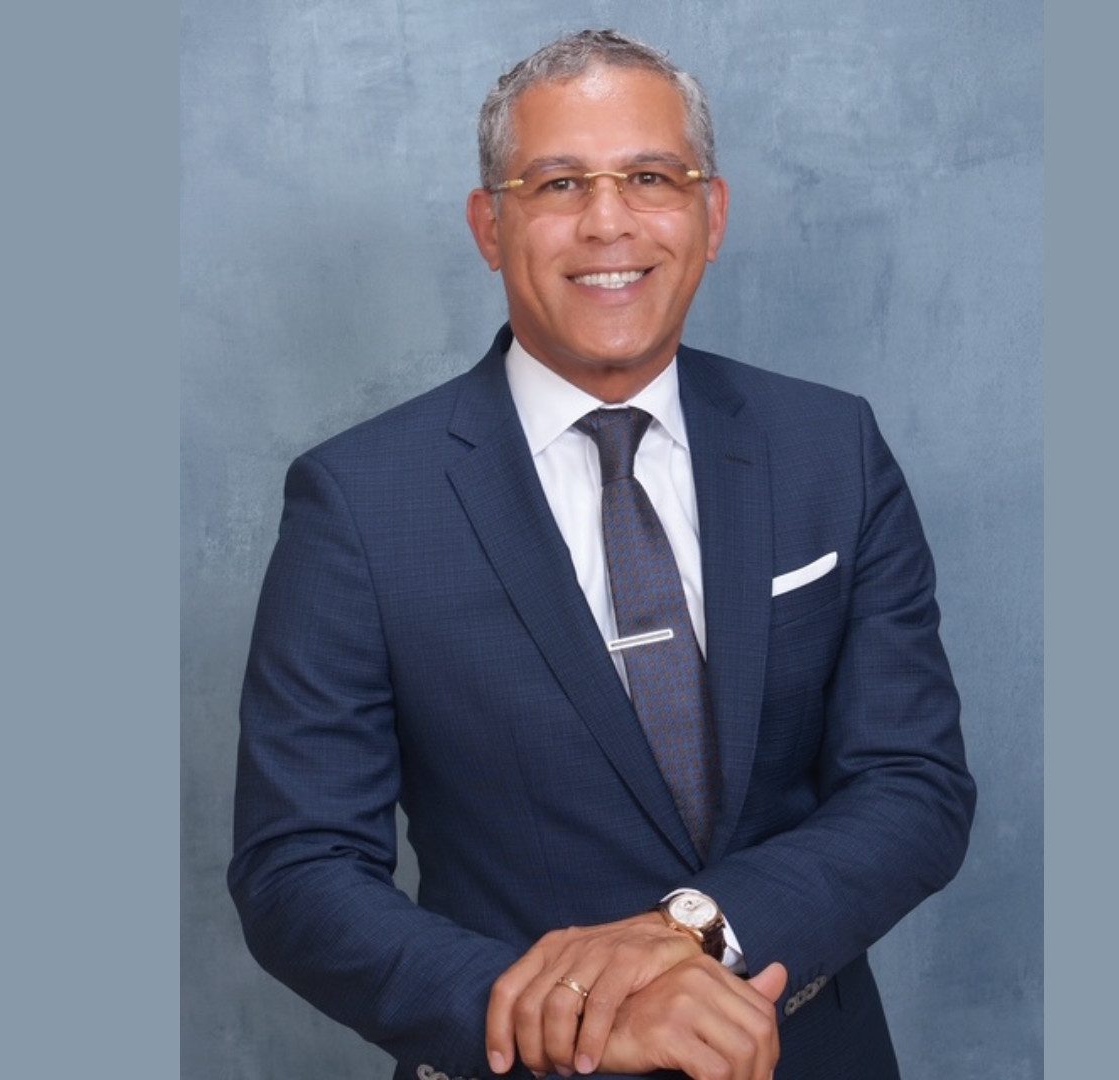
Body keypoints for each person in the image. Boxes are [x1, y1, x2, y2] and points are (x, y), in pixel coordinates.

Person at [229, 28, 975, 1080]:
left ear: (710, 215)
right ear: (491, 225)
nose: (608, 221)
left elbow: (911, 786)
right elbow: (296, 871)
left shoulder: (830, 449)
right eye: (557, 183)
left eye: (650, 176)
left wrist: (689, 931)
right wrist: (565, 1015)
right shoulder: (358, 501)